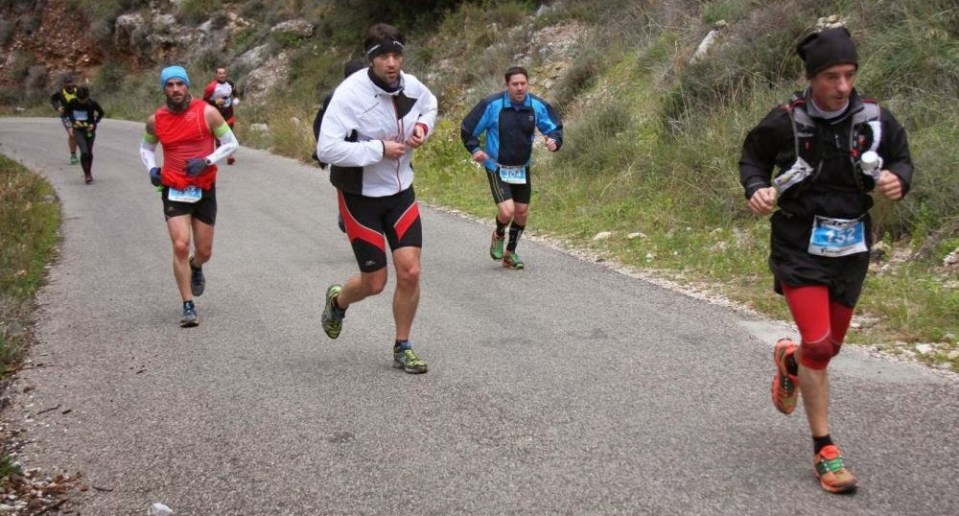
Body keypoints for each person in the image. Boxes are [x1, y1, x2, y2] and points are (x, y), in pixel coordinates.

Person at [739, 27, 913, 494]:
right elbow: (752, 158)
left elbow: (901, 158)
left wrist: (898, 179)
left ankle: (790, 360)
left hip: (851, 247)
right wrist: (756, 188)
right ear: (812, 78)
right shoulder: (786, 121)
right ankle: (825, 449)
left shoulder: (874, 118)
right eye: (832, 77)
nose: (842, 86)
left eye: (849, 75)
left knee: (828, 348)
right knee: (818, 344)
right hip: (798, 242)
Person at [315, 23, 437, 374]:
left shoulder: (411, 86)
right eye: (384, 56)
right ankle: (338, 301)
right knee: (375, 282)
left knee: (410, 272)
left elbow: (430, 106)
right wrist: (378, 149)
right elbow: (327, 149)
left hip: (400, 192)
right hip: (360, 196)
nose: (392, 63)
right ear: (371, 59)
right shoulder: (349, 95)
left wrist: (422, 128)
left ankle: (403, 346)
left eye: (397, 55)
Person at [140, 65, 239, 327]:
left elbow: (231, 143)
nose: (175, 89)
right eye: (170, 85)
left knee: (203, 251)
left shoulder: (207, 113)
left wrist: (206, 161)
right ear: (164, 89)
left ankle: (197, 266)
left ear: (187, 86)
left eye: (179, 84)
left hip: (203, 186)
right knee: (181, 245)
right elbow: (146, 148)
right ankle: (188, 305)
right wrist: (152, 169)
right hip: (173, 187)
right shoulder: (156, 120)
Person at [460, 66, 563, 270]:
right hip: (496, 166)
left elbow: (554, 127)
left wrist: (555, 141)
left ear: (528, 84)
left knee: (522, 212)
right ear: (507, 85)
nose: (520, 88)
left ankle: (510, 253)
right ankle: (499, 234)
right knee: (507, 212)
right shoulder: (492, 105)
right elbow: (468, 128)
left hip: (521, 168)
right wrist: (475, 149)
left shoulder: (536, 106)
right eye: (515, 84)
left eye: (523, 83)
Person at [312, 58, 368, 233]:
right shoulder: (336, 97)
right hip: (347, 151)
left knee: (346, 185)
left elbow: (318, 124)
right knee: (345, 184)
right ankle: (346, 217)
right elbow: (320, 124)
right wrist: (324, 149)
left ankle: (347, 217)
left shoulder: (372, 94)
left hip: (356, 152)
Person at [64, 85, 105, 184]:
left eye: (84, 100)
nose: (82, 102)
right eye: (80, 100)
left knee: (89, 152)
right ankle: (87, 174)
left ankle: (89, 171)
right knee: (84, 152)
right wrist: (73, 122)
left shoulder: (92, 103)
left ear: (87, 97)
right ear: (76, 97)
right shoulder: (72, 102)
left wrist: (94, 124)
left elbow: (101, 113)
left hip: (89, 130)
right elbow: (66, 113)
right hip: (78, 130)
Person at [202, 67, 239, 164]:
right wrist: (215, 102)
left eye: (224, 73)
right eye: (220, 73)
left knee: (230, 132)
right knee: (220, 136)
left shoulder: (230, 83)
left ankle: (228, 154)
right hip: (217, 113)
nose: (222, 75)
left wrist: (236, 98)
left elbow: (234, 92)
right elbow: (204, 101)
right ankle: (225, 155)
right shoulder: (211, 87)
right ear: (216, 75)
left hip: (229, 111)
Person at [50, 74, 79, 165]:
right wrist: (58, 107)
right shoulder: (60, 92)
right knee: (72, 134)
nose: (69, 84)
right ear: (64, 84)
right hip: (66, 116)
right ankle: (73, 156)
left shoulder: (78, 90)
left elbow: (87, 99)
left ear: (73, 82)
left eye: (71, 82)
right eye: (67, 82)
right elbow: (53, 100)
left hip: (78, 116)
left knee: (80, 135)